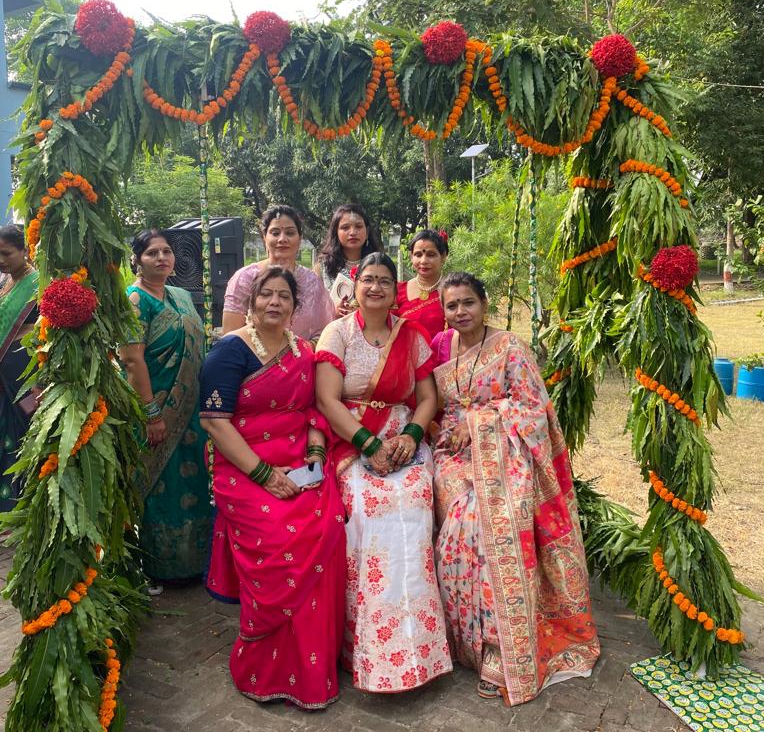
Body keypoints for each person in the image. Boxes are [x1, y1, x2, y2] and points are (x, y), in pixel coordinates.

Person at [430, 272, 600, 705]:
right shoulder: (440, 346)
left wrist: (479, 424)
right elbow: (434, 405)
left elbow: (533, 409)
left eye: (468, 302)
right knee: (461, 513)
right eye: (452, 305)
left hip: (506, 451)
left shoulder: (510, 347)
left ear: (485, 304)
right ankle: (458, 638)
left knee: (484, 520)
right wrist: (452, 432)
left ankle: (496, 647)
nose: (460, 312)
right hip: (451, 455)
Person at [201, 267, 345, 709]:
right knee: (281, 534)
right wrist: (264, 475)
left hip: (299, 461)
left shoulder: (303, 351)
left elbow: (314, 411)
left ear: (295, 307)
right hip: (243, 467)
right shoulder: (230, 350)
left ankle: (315, 664)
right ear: (251, 302)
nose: (275, 303)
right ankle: (263, 666)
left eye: (284, 296)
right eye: (267, 295)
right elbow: (214, 422)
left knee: (330, 524)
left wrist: (316, 455)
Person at [315, 252, 452, 693]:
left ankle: (420, 649)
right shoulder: (337, 333)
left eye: (385, 281)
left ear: (396, 290)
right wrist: (369, 445)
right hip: (352, 439)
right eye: (368, 280)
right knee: (368, 513)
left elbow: (427, 398)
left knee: (415, 506)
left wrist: (411, 436)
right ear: (355, 287)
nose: (375, 287)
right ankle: (366, 648)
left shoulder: (411, 335)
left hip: (402, 439)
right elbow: (327, 400)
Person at [120, 230, 211, 592]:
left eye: (167, 251)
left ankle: (194, 562)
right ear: (137, 261)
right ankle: (159, 567)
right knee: (160, 486)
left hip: (190, 411)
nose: (162, 258)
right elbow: (132, 360)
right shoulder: (134, 300)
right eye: (152, 253)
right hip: (155, 410)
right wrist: (151, 413)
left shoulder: (181, 295)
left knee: (193, 480)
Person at [223, 205, 334, 341]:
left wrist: (301, 349)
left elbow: (325, 334)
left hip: (302, 354)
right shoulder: (244, 278)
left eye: (290, 233)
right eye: (275, 233)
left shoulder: (312, 282)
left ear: (300, 239)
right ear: (264, 237)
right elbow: (230, 337)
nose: (282, 239)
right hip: (252, 354)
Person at [0, 225, 38, 511]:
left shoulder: (38, 283)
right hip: (5, 374)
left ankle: (21, 506)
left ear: (24, 250)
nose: (1, 260)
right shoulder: (6, 282)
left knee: (23, 434)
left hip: (24, 374)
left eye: (6, 253)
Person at [314, 204, 382, 317]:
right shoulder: (322, 268)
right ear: (336, 232)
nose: (353, 232)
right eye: (345, 227)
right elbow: (312, 309)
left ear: (367, 232)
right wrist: (333, 312)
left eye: (358, 226)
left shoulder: (380, 265)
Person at [395, 229, 448, 341]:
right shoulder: (397, 291)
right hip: (405, 351)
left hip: (445, 351)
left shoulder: (452, 291)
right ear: (411, 256)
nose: (423, 261)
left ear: (443, 256)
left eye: (431, 255)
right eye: (418, 255)